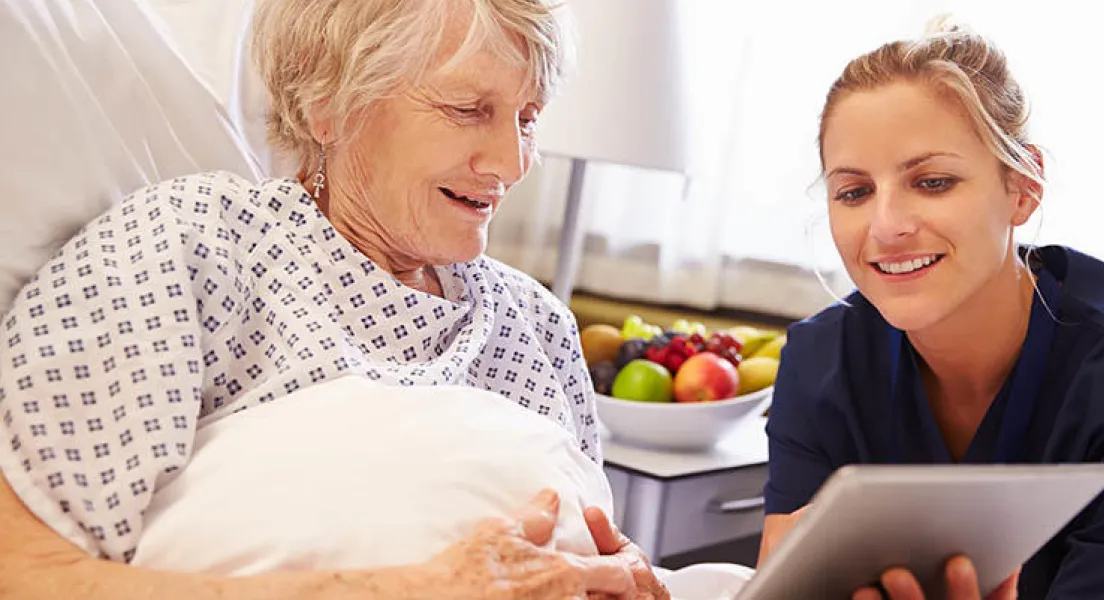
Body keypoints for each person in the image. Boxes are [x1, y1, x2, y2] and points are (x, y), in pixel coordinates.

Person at [0, 0, 670, 598]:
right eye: (469, 110)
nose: (511, 162)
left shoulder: (536, 324)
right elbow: (23, 571)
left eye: (527, 119)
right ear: (329, 104)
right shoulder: (188, 246)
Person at [759, 20, 1104, 600]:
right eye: (854, 192)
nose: (886, 227)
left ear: (1022, 187)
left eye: (933, 181)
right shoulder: (822, 363)